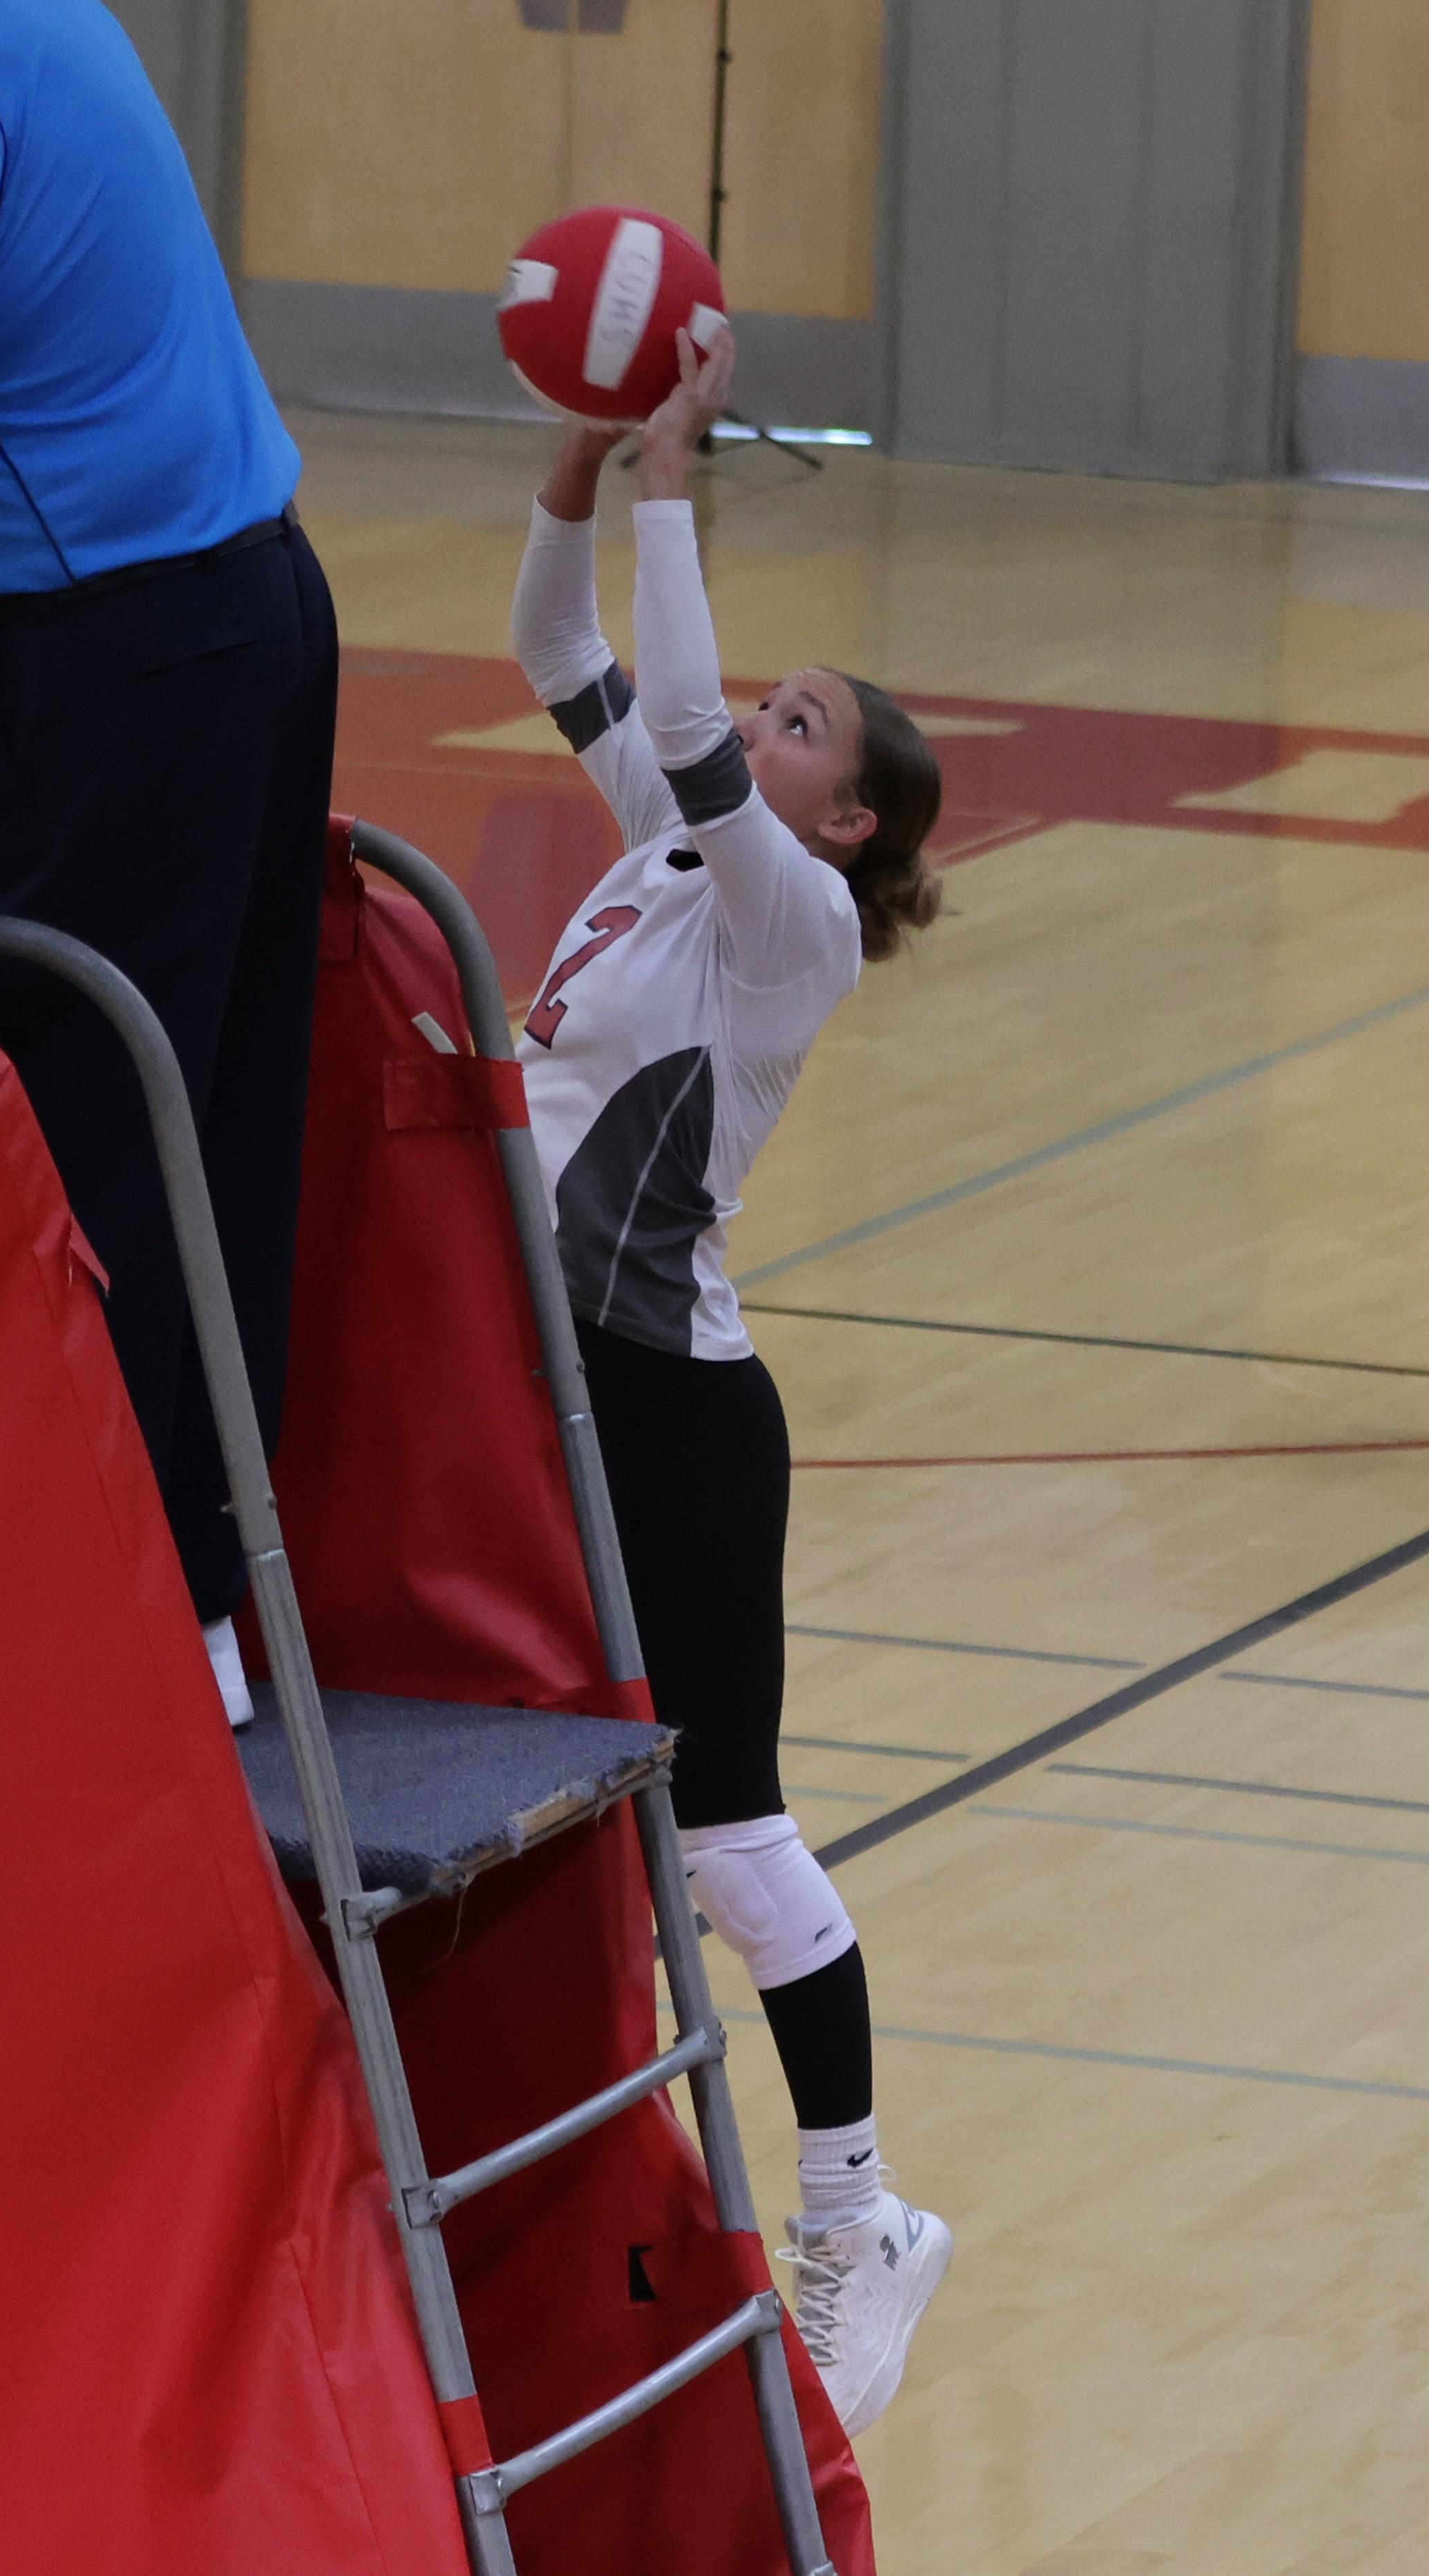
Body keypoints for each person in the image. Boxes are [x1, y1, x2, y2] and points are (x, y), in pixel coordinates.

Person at [511, 326, 953, 2435]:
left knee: (734, 1828)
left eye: (800, 724)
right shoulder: (677, 853)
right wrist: (578, 466)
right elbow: (562, 650)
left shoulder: (797, 927)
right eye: (770, 701)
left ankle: (861, 2213)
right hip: (543, 1375)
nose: (755, 719)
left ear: (842, 817)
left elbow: (679, 715)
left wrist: (677, 473)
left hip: (672, 1409)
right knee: (574, 1808)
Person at [0, 0, 337, 1725]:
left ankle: (86, 1644)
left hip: (112, 666)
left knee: (44, 1154)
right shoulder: (10, 12)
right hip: (250, 612)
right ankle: (201, 1611)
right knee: (202, 1137)